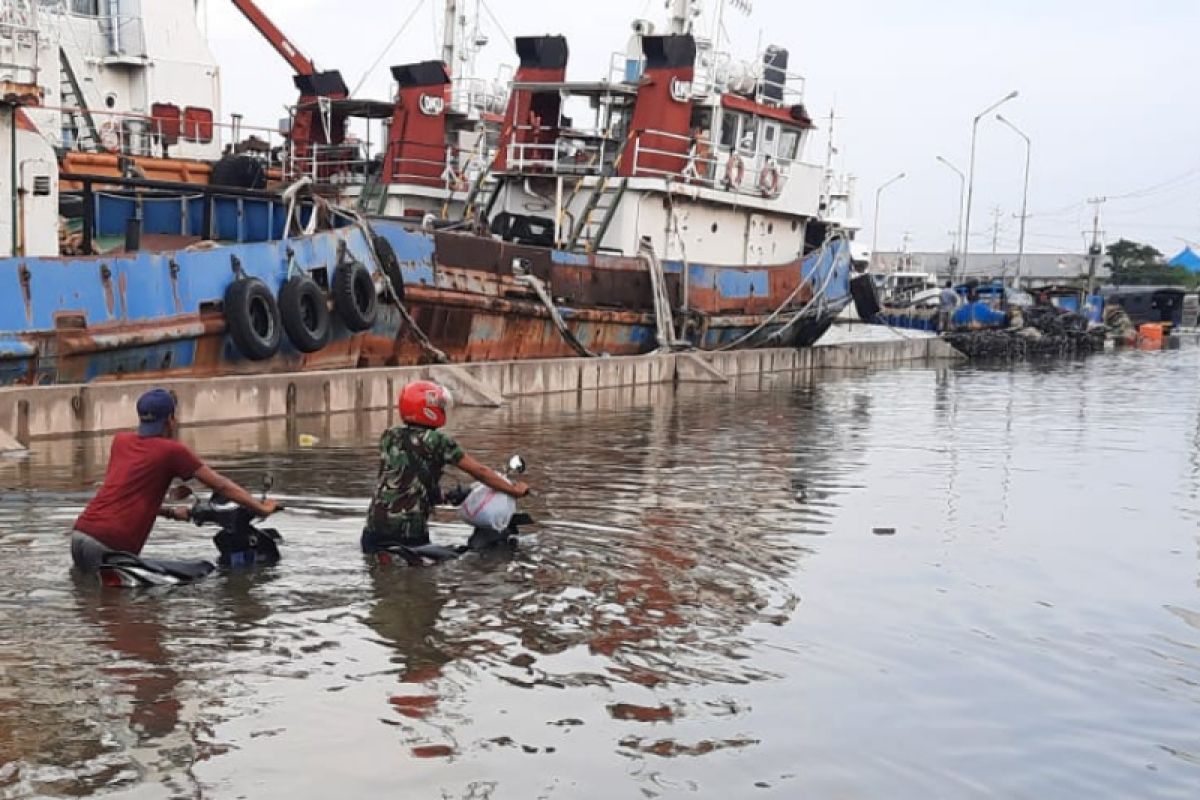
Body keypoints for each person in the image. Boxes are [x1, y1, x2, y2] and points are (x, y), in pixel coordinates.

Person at [70, 388, 279, 572]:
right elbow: (221, 485)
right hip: (109, 544)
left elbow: (123, 494)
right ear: (171, 420)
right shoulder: (172, 451)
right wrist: (262, 509)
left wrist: (170, 513)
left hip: (81, 535)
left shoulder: (120, 441)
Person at [362, 380, 530, 553]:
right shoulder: (439, 442)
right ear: (428, 408)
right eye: (440, 405)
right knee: (447, 566)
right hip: (408, 531)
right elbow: (480, 472)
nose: (442, 409)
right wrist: (514, 490)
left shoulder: (389, 436)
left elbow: (404, 477)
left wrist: (443, 496)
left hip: (373, 528)